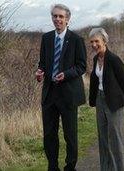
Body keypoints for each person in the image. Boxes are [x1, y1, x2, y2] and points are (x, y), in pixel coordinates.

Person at [35, 4, 87, 171]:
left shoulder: (76, 40)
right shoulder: (46, 38)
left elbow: (81, 66)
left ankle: (70, 167)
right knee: (49, 134)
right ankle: (52, 166)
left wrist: (66, 74)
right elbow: (42, 64)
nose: (57, 19)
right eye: (55, 16)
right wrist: (39, 72)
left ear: (67, 19)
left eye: (60, 17)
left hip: (68, 94)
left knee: (70, 135)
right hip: (49, 94)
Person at [88, 28, 124, 171]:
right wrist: (92, 100)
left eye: (97, 41)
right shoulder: (96, 59)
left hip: (114, 103)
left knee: (114, 139)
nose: (94, 44)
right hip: (100, 100)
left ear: (104, 41)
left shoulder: (114, 59)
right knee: (102, 139)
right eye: (91, 42)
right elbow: (95, 80)